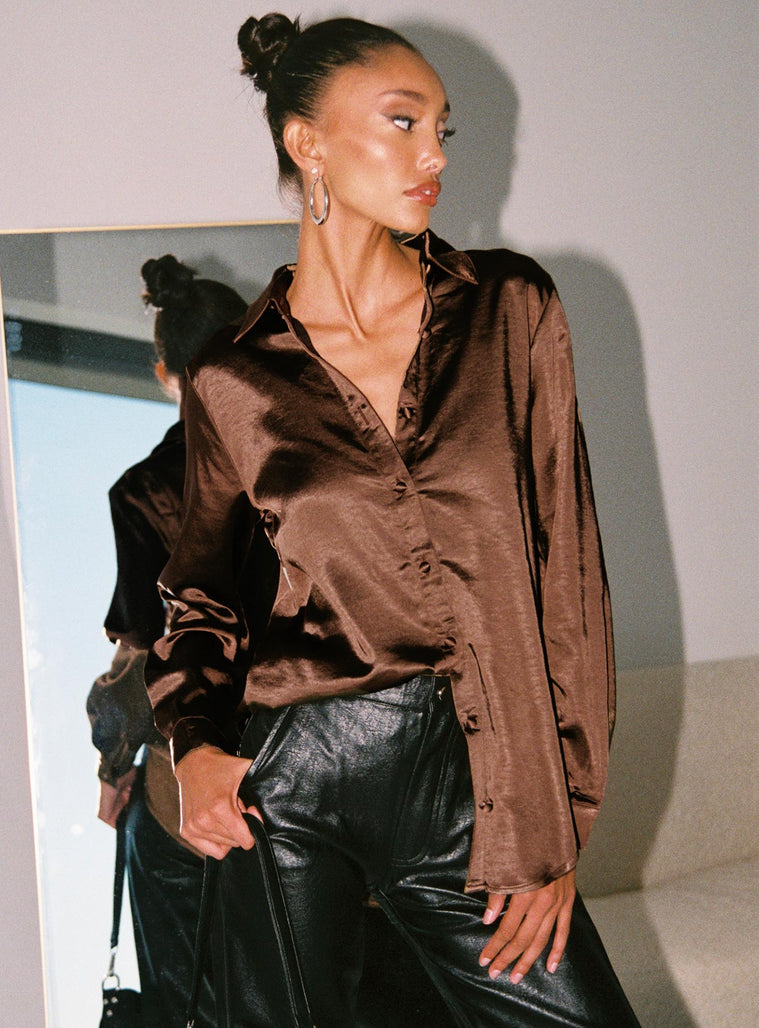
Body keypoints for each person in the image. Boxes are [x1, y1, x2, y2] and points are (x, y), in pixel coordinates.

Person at [145, 14, 641, 1027]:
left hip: (467, 782)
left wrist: (553, 825)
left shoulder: (510, 308)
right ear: (308, 142)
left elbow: (567, 577)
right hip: (293, 783)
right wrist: (193, 741)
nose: (435, 156)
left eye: (442, 130)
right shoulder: (233, 378)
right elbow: (200, 592)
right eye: (404, 122)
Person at [87, 255, 249, 1027]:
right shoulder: (311, 459)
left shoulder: (145, 490)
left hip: (198, 776)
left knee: (192, 999)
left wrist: (112, 765)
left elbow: (144, 656)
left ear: (163, 372)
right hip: (323, 764)